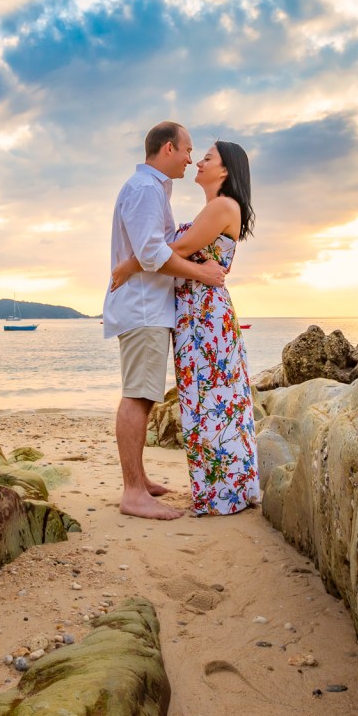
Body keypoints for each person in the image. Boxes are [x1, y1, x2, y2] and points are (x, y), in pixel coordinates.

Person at [112, 140, 260, 516]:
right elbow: (175, 249)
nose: (197, 161)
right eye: (195, 154)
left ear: (225, 170)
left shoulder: (223, 206)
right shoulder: (212, 208)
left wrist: (129, 265)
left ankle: (225, 492)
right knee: (205, 401)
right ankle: (220, 488)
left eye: (207, 157)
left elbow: (174, 249)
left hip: (206, 317)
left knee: (215, 401)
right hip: (194, 316)